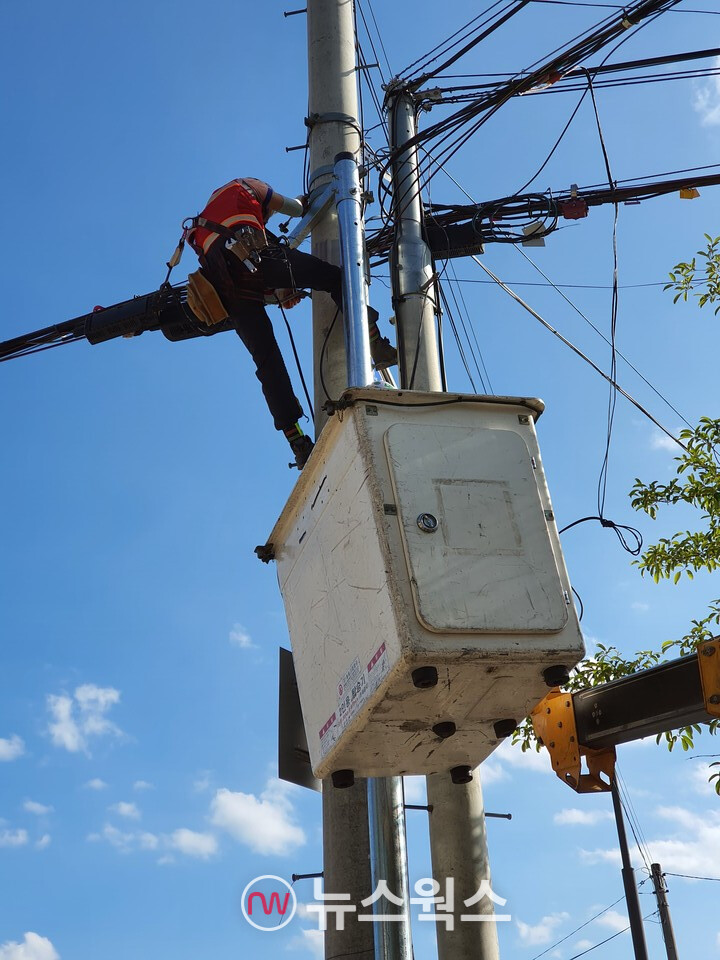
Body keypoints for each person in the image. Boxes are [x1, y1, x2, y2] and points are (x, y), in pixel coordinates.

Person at [186, 177, 396, 468]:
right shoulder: (248, 186)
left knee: (267, 360)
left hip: (227, 290)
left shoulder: (201, 223)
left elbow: (238, 272)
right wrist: (304, 202)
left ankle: (296, 440)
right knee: (336, 278)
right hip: (254, 258)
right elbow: (295, 209)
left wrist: (279, 290)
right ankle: (374, 341)